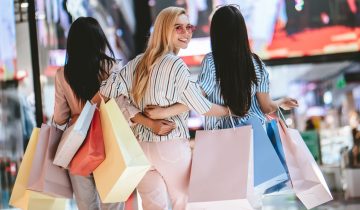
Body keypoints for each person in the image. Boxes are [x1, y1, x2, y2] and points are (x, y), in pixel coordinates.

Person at [100, 7, 228, 210]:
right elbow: (202, 107)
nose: (186, 33)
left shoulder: (137, 62)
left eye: (189, 27)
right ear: (165, 30)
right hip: (171, 145)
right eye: (178, 28)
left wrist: (143, 118)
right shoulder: (175, 64)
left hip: (140, 147)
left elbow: (106, 91)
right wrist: (230, 111)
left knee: (153, 207)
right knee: (183, 203)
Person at [53, 17, 173, 210]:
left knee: (86, 206)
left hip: (77, 146)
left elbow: (59, 117)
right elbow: (123, 106)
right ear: (99, 40)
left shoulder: (62, 75)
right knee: (113, 204)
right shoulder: (111, 68)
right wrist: (150, 123)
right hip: (109, 143)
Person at [145, 5, 298, 129]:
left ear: (216, 33)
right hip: (255, 135)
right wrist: (281, 102)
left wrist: (163, 112)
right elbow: (266, 107)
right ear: (242, 31)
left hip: (221, 139)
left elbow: (196, 98)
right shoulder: (256, 63)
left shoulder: (212, 61)